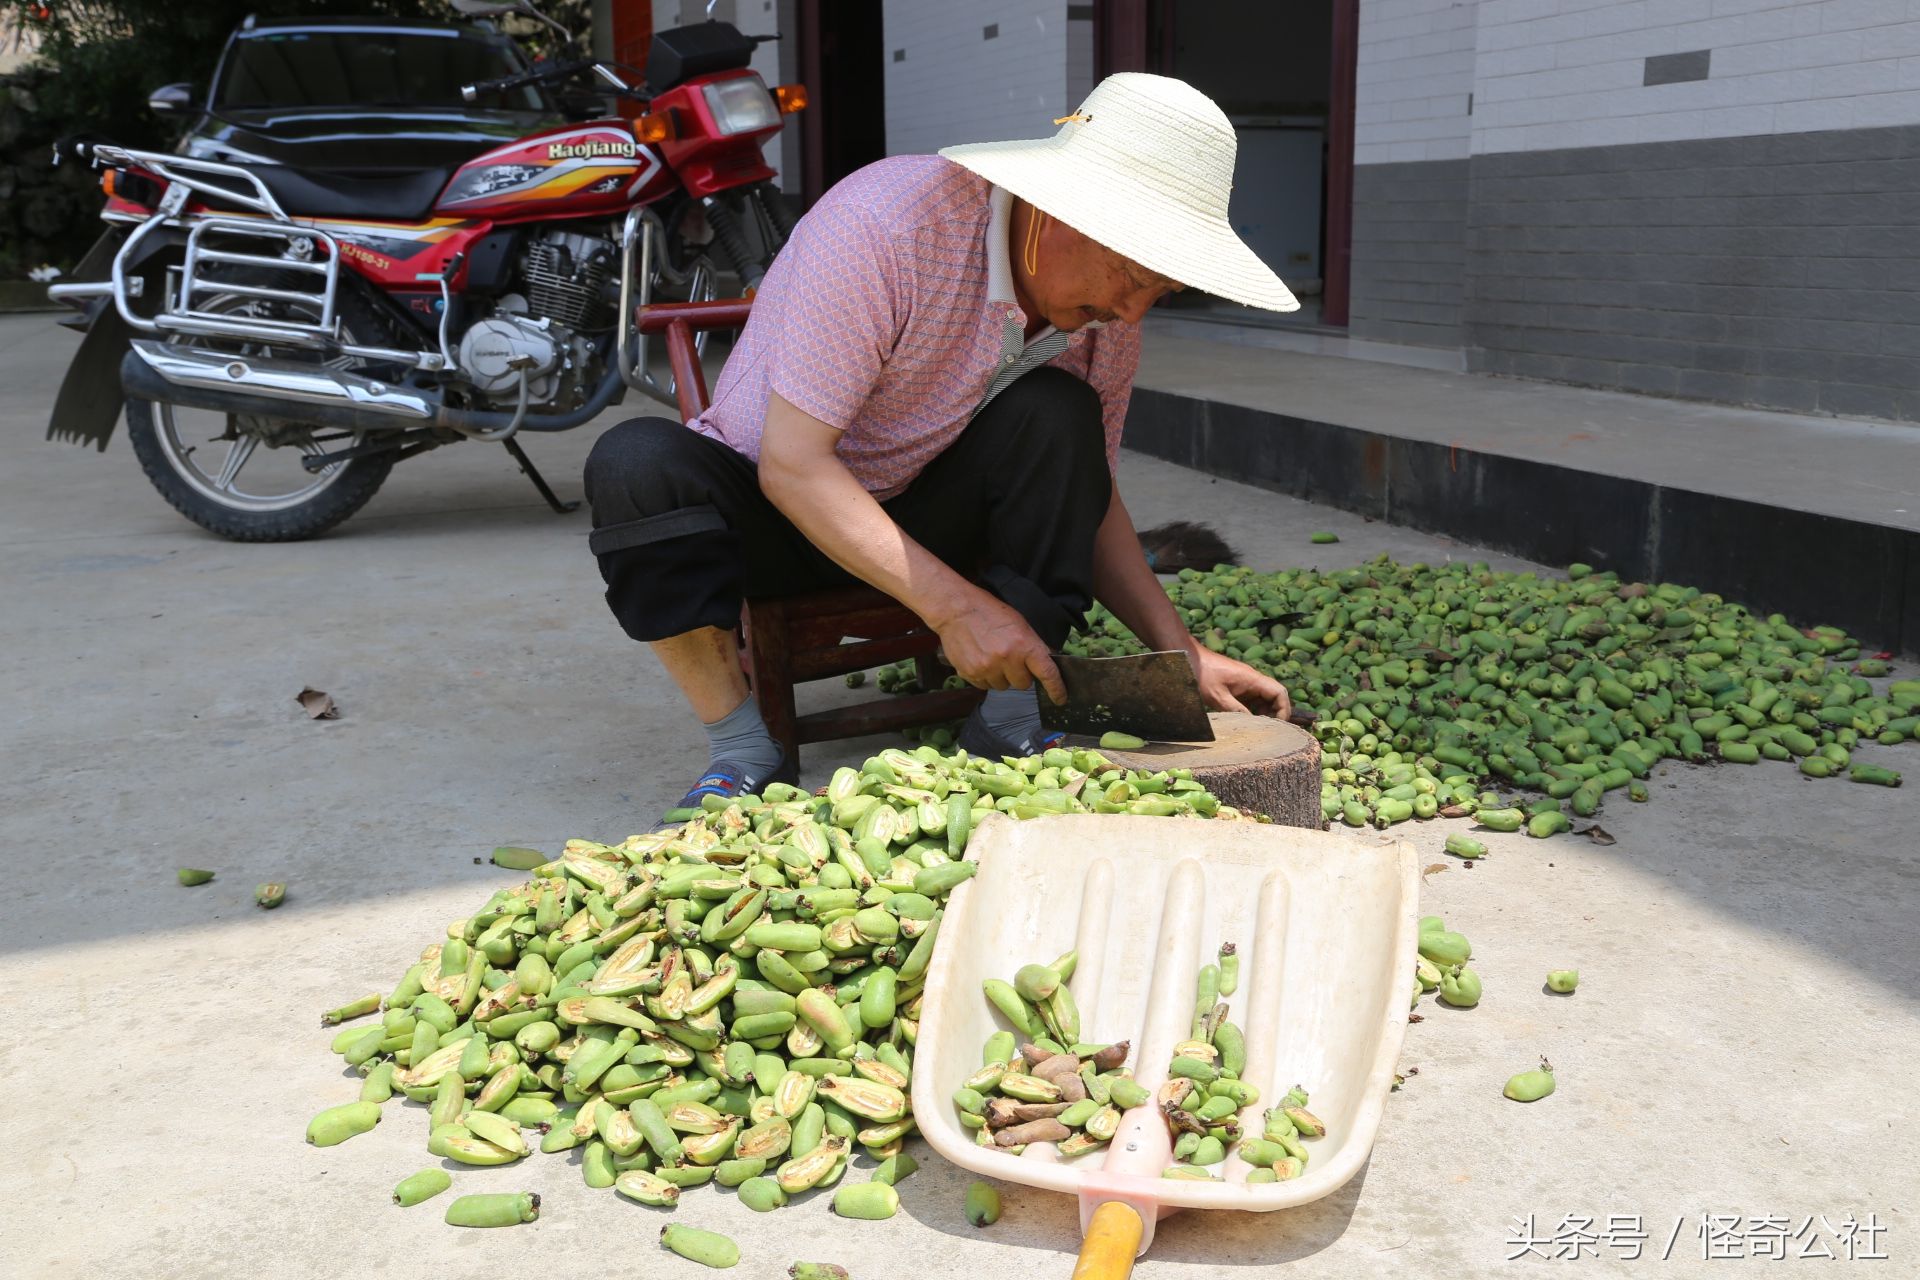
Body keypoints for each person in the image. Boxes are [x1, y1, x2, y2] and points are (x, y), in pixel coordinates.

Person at [583, 72, 1298, 816]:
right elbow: (794, 470)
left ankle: (1008, 722)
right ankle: (740, 749)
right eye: (1130, 276)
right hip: (778, 510)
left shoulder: (1101, 318)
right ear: (1057, 211)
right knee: (636, 465)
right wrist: (958, 611)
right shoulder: (886, 228)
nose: (1130, 309)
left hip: (927, 512)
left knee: (1061, 412)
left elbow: (1091, 491)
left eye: (1162, 291)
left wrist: (1177, 654)